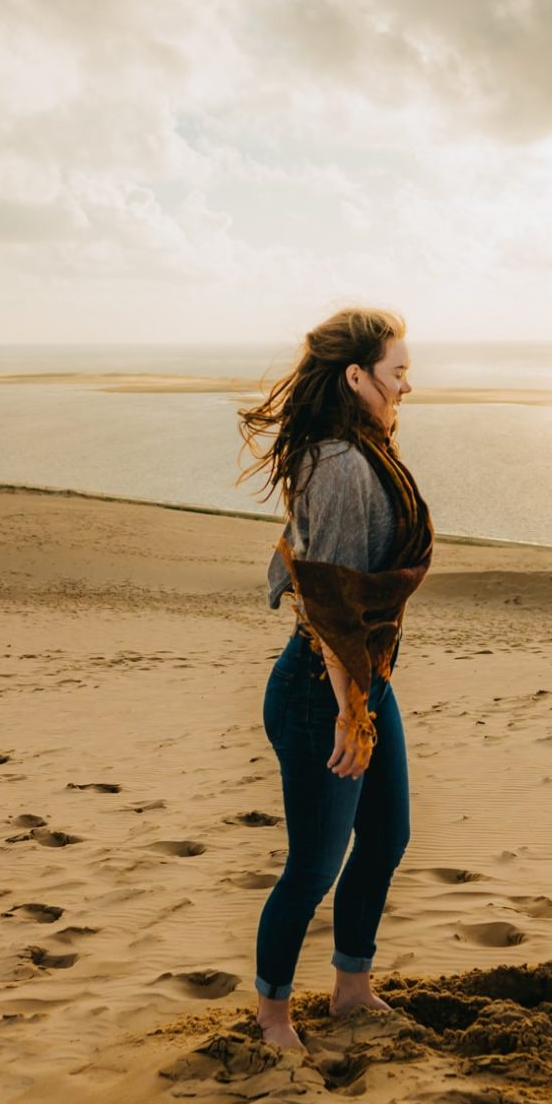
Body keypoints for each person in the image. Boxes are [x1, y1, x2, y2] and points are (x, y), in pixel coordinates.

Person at [238, 308, 432, 1051]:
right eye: (397, 373)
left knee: (385, 836)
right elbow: (333, 604)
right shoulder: (345, 465)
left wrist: (366, 698)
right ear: (356, 378)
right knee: (313, 865)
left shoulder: (355, 449)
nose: (408, 386)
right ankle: (273, 1017)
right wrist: (353, 713)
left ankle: (352, 989)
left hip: (361, 682)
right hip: (324, 690)